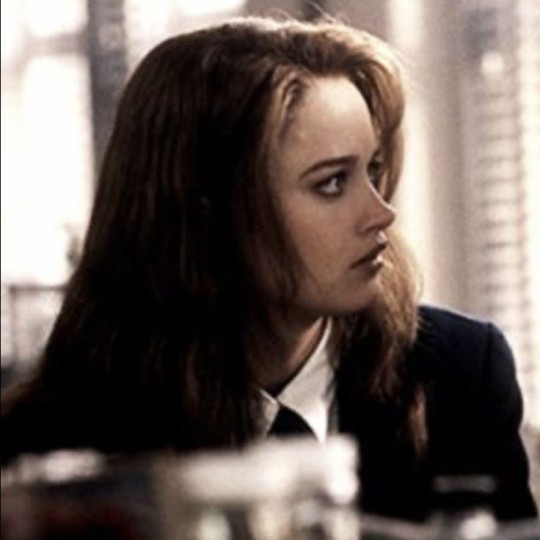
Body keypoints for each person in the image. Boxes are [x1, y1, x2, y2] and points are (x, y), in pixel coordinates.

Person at [1, 15, 537, 523]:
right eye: (332, 183)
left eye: (373, 171)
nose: (381, 213)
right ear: (210, 212)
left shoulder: (459, 374)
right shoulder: (50, 443)